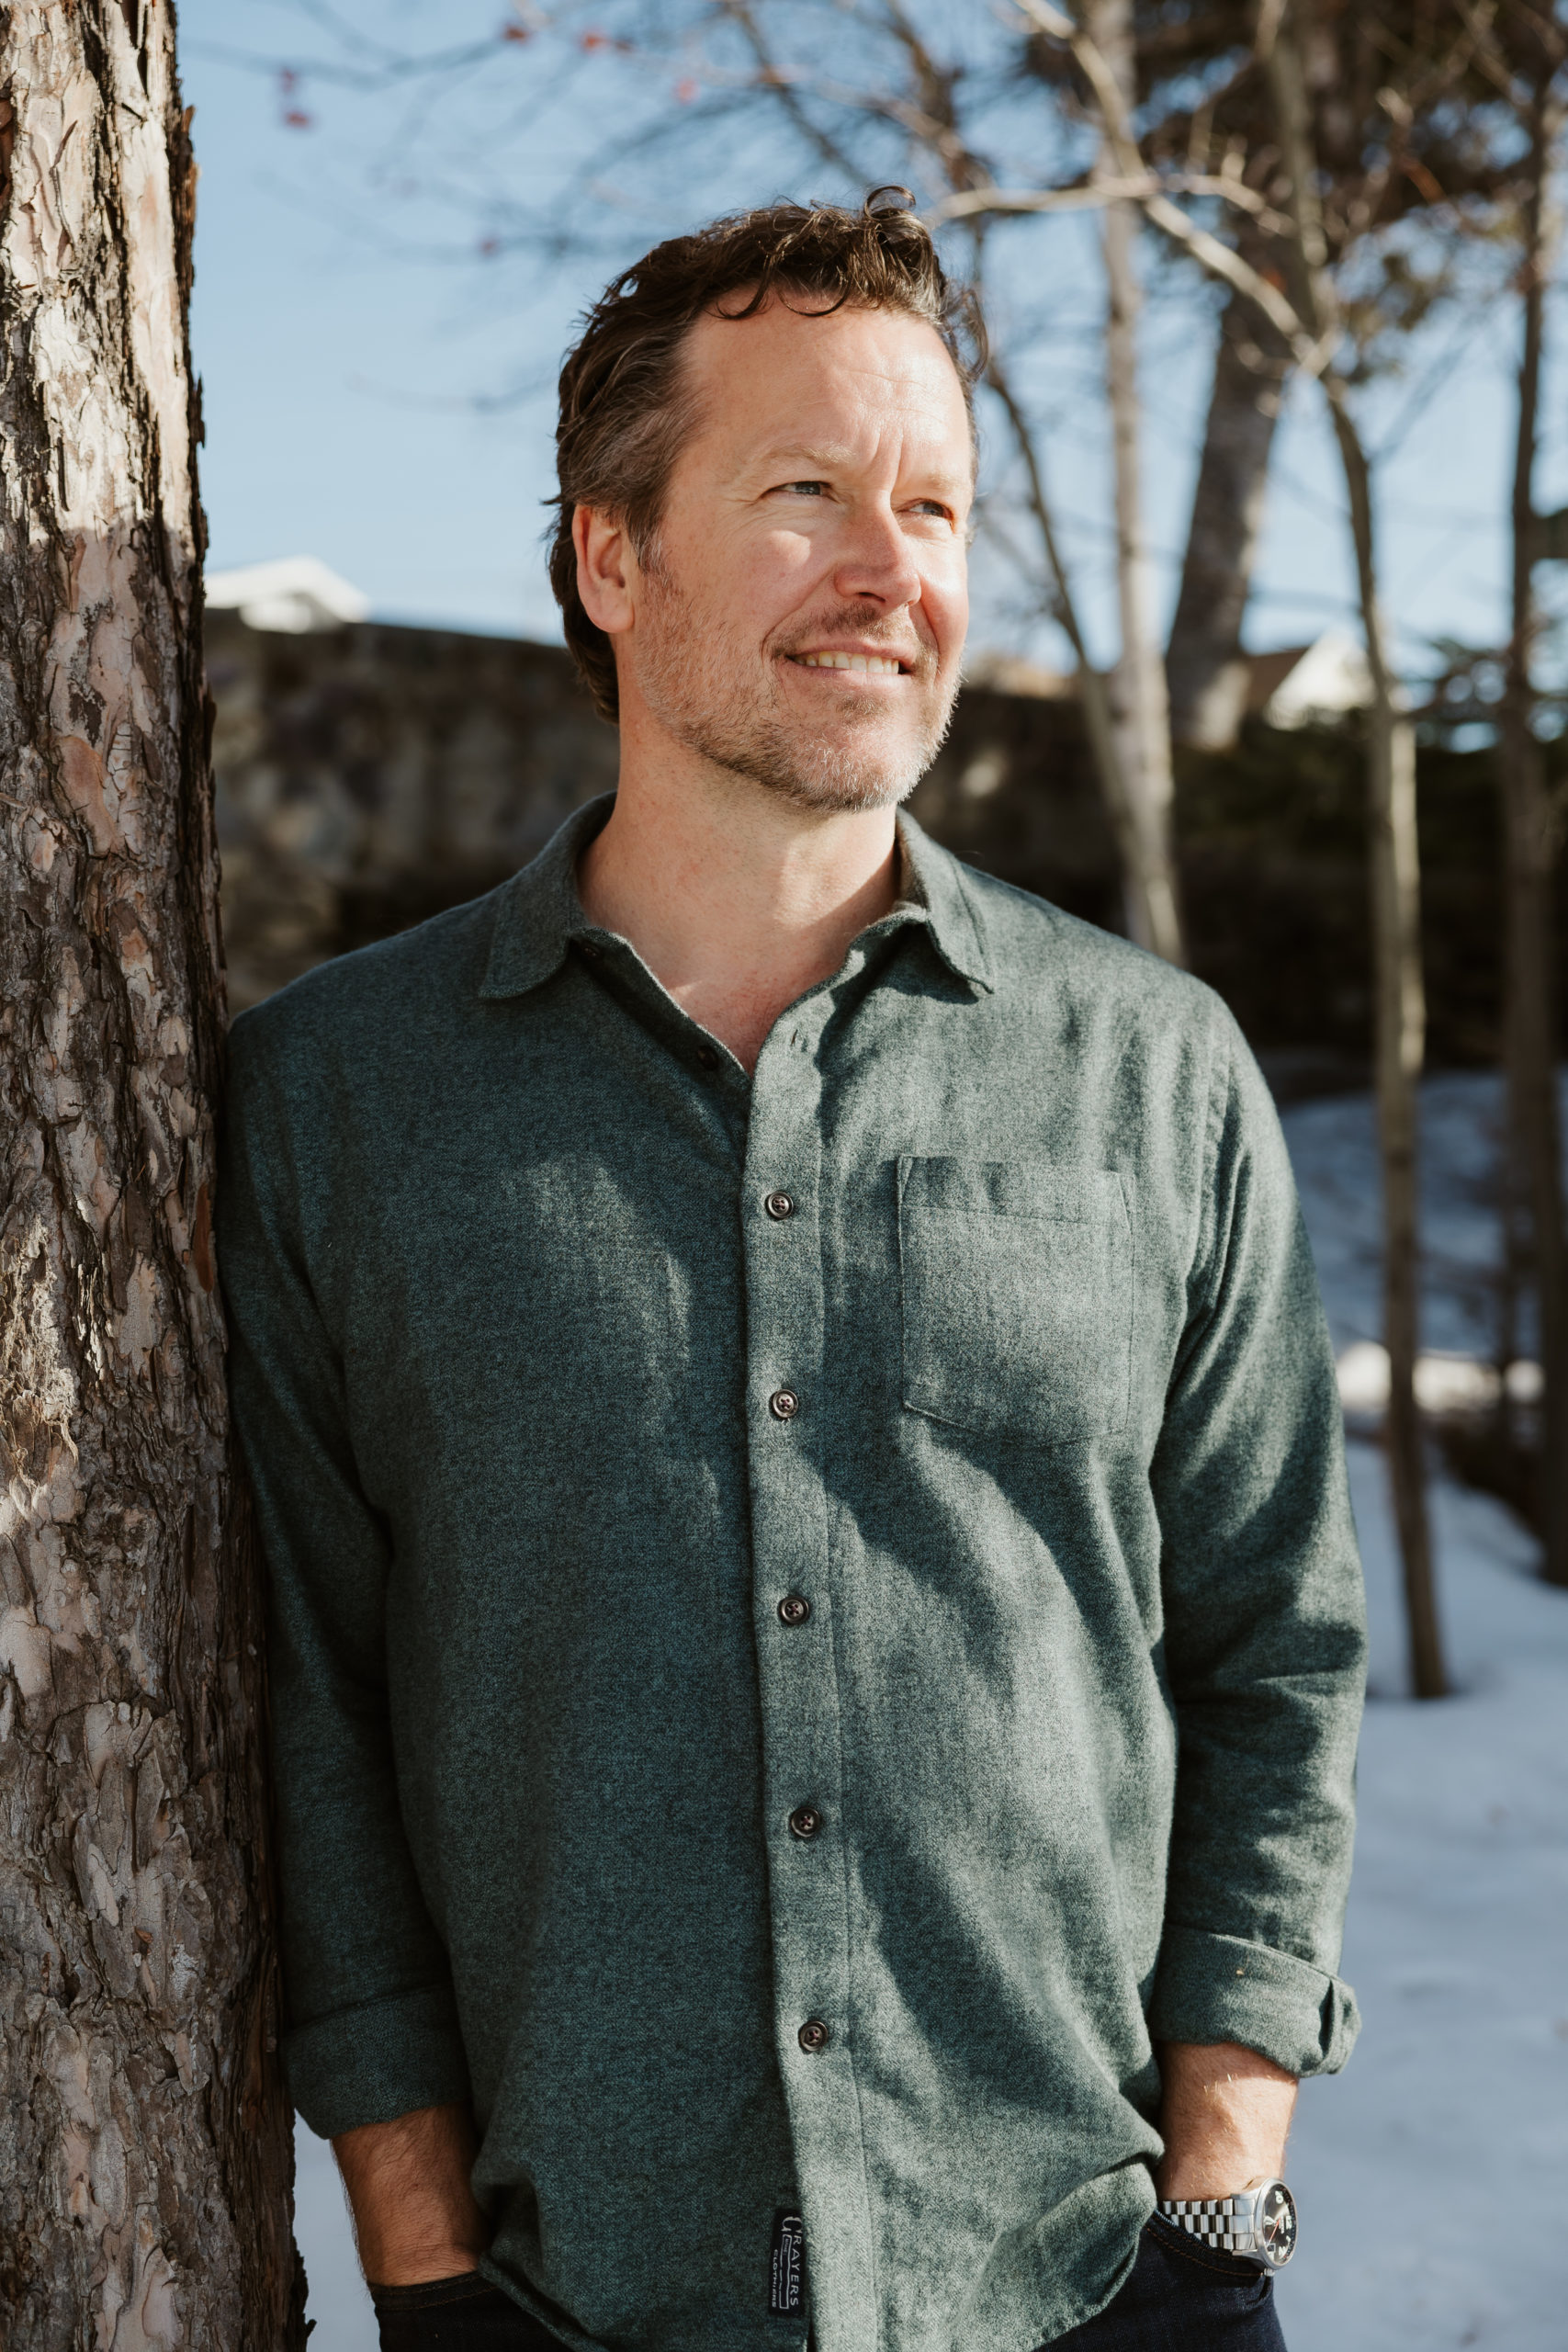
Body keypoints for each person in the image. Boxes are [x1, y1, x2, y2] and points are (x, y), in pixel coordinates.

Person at [220, 194, 1366, 2352]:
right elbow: (305, 1695)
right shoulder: (331, 1104)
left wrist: (1220, 2196)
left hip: (1092, 2285)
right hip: (564, 2299)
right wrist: (420, 2244)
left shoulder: (1156, 1072)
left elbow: (1272, 1649)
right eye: (803, 493)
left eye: (931, 500)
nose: (892, 568)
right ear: (607, 557)